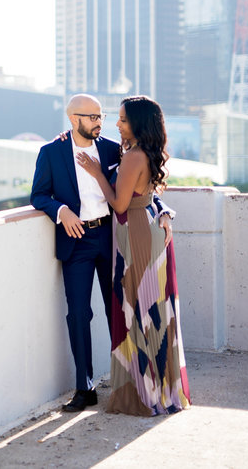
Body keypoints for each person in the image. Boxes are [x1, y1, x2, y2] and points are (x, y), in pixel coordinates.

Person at [30, 94, 173, 413]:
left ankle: (127, 381)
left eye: (101, 116)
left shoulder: (113, 149)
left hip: (112, 237)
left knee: (120, 310)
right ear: (73, 118)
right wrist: (61, 210)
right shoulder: (51, 152)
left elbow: (140, 187)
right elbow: (38, 194)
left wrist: (163, 210)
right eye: (91, 116)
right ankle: (85, 387)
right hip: (76, 239)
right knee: (78, 313)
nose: (98, 122)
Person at [75, 95, 191, 416]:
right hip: (150, 231)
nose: (116, 124)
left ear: (137, 124)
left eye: (122, 120)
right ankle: (159, 389)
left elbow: (120, 205)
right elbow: (150, 195)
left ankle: (144, 393)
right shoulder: (146, 153)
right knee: (153, 309)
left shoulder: (132, 158)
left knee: (139, 310)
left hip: (136, 234)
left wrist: (98, 174)